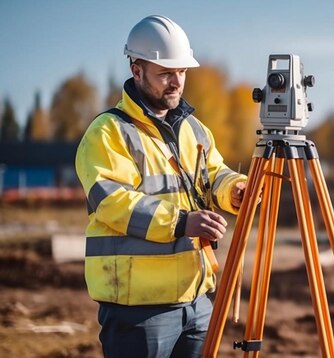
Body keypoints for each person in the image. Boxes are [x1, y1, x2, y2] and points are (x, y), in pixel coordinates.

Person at [75, 15, 248, 357]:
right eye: (165, 73)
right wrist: (182, 222)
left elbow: (213, 174)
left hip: (196, 301)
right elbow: (113, 202)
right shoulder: (108, 132)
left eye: (182, 72)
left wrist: (235, 190)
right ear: (136, 70)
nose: (176, 82)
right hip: (139, 308)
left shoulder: (194, 129)